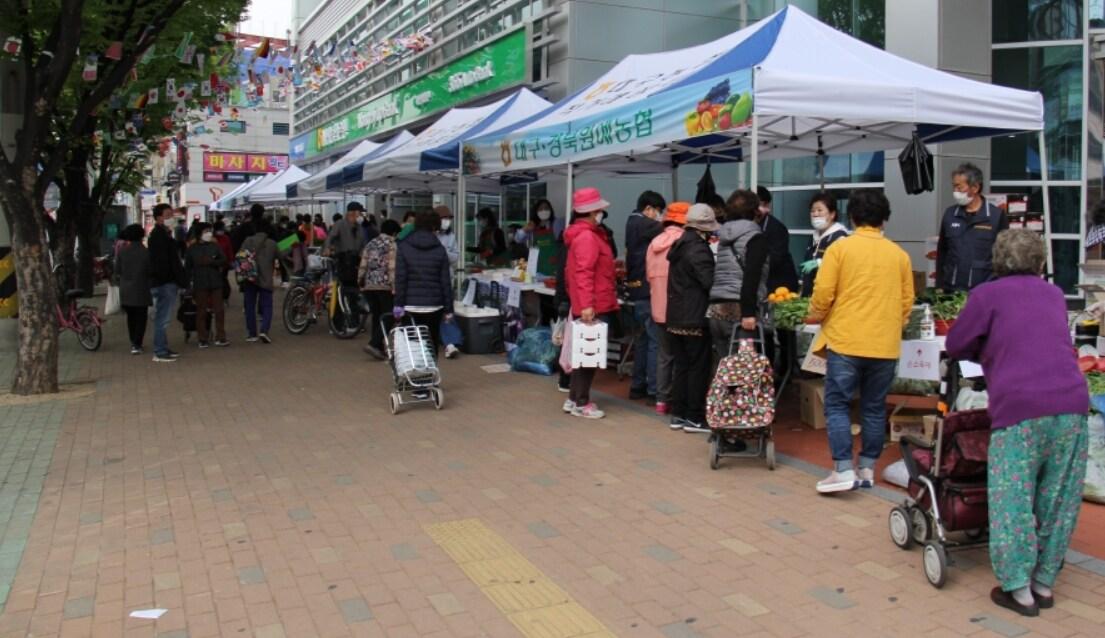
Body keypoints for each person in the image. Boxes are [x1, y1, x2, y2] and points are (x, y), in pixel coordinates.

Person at [945, 229, 1089, 617]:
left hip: (1020, 408)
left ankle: (1017, 588)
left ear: (996, 260)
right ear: (1040, 262)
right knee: (1059, 497)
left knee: (1013, 497)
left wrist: (987, 350)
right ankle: (1044, 582)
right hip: (1072, 404)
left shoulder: (986, 295)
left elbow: (956, 344)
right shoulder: (1055, 295)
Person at [807, 189, 914, 493]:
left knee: (838, 405)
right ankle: (866, 468)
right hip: (884, 344)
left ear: (852, 217)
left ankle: (842, 469)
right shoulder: (899, 255)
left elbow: (823, 294)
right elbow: (907, 302)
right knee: (874, 407)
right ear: (884, 219)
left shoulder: (840, 249)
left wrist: (817, 315)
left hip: (846, 340)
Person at [562, 187, 618, 419]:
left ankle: (574, 398)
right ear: (592, 211)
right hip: (594, 303)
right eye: (599, 210)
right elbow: (584, 272)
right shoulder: (587, 237)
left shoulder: (583, 235)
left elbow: (575, 273)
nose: (602, 213)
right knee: (588, 355)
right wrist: (586, 305)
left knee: (582, 354)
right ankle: (582, 402)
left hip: (590, 302)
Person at [665, 204, 720, 432]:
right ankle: (694, 416)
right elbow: (709, 282)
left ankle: (678, 413)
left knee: (682, 366)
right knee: (698, 366)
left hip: (676, 315)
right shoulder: (698, 249)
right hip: (694, 316)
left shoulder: (680, 244)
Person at [708, 189, 769, 382]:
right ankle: (739, 411)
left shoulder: (724, 236)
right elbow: (751, 276)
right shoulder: (755, 237)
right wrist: (749, 312)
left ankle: (720, 409)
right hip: (740, 309)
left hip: (716, 307)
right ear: (754, 211)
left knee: (723, 366)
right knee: (742, 369)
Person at [936, 163, 1009, 291]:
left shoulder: (995, 216)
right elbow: (942, 252)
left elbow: (1005, 255)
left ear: (975, 187)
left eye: (959, 187)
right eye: (954, 187)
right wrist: (939, 285)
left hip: (985, 290)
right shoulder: (950, 214)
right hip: (952, 290)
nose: (955, 192)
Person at [646, 202, 688, 416]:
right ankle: (678, 400)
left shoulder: (654, 243)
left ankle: (661, 400)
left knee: (664, 355)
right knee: (682, 356)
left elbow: (648, 276)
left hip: (657, 307)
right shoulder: (683, 242)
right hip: (680, 309)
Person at [394, 211, 454, 357]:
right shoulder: (440, 250)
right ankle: (430, 374)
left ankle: (413, 374)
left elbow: (401, 278)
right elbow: (445, 281)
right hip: (435, 305)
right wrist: (448, 309)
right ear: (434, 227)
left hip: (410, 304)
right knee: (431, 342)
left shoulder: (403, 247)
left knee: (411, 343)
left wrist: (398, 305)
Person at [625, 190, 666, 403]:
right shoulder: (643, 223)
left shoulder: (631, 222)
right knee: (654, 341)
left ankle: (637, 385)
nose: (659, 216)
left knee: (641, 340)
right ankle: (652, 389)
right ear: (648, 209)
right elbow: (668, 229)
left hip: (635, 289)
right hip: (646, 290)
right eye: (658, 212)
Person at [148, 203, 186, 362]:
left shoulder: (165, 234)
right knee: (162, 319)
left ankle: (163, 348)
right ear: (159, 218)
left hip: (165, 281)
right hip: (164, 282)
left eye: (172, 214)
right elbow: (163, 262)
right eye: (168, 215)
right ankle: (159, 351)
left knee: (163, 318)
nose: (171, 218)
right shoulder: (158, 236)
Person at [360, 219, 402, 360]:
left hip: (369, 285)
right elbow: (392, 267)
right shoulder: (392, 245)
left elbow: (363, 263)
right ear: (394, 233)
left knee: (377, 315)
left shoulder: (370, 243)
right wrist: (394, 286)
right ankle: (374, 343)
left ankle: (378, 347)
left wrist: (360, 279)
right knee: (389, 316)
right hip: (384, 286)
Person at [184, 222, 229, 348]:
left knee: (219, 310)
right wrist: (187, 285)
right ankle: (202, 338)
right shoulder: (192, 249)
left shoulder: (215, 246)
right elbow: (187, 267)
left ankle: (221, 336)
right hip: (200, 282)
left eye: (210, 231)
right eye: (206, 231)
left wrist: (213, 262)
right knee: (201, 311)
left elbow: (224, 260)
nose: (209, 234)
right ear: (199, 234)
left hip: (215, 281)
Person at [799, 192, 849, 297]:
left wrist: (819, 263)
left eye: (820, 210)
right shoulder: (814, 236)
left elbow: (842, 265)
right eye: (812, 211)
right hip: (810, 296)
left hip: (828, 298)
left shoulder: (840, 237)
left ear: (832, 214)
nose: (815, 214)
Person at [114, 224, 152, 355]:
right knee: (141, 317)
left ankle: (133, 342)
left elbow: (117, 270)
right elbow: (150, 271)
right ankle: (137, 343)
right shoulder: (146, 252)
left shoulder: (123, 252)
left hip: (126, 289)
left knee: (131, 317)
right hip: (142, 288)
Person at [241, 220, 278, 343]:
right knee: (267, 306)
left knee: (250, 306)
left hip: (250, 277)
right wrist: (293, 240)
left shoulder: (247, 241)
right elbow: (282, 254)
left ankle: (252, 333)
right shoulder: (272, 243)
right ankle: (264, 330)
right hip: (266, 279)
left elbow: (241, 256)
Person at [756, 186, 799, 292]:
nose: (766, 209)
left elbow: (775, 259)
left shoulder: (776, 228)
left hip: (779, 286)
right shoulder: (747, 224)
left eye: (765, 205)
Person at [525, 199, 562, 276]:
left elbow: (562, 244)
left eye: (546, 208)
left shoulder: (556, 223)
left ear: (550, 210)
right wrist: (525, 229)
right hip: (538, 266)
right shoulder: (533, 226)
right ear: (536, 211)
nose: (544, 211)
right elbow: (518, 239)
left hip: (553, 265)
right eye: (540, 209)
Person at [213, 221, 234, 303]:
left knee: (223, 279)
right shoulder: (212, 239)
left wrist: (231, 260)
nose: (222, 230)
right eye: (221, 229)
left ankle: (225, 296)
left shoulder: (226, 238)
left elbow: (229, 250)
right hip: (214, 263)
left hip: (224, 263)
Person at [435, 205, 460, 271]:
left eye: (449, 218)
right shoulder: (430, 234)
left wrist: (444, 253)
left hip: (447, 272)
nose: (447, 221)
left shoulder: (451, 236)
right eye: (444, 218)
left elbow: (456, 256)